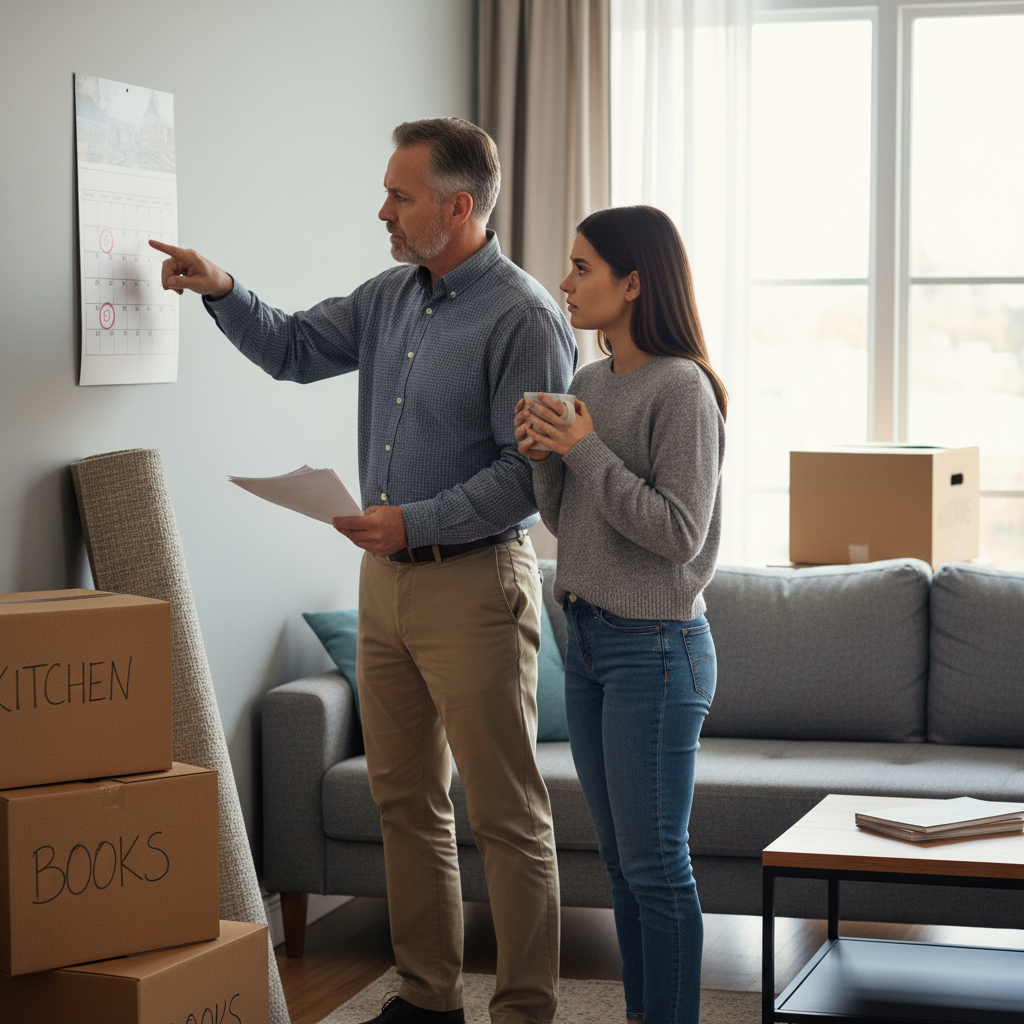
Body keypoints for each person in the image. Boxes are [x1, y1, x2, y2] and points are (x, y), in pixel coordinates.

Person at [151, 118, 576, 1024]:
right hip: (384, 587)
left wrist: (410, 519)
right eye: (388, 191)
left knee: (504, 814)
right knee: (404, 801)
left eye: (401, 195)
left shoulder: (527, 316)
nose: (382, 209)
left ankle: (527, 1010)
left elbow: (529, 478)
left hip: (474, 584)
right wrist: (221, 288)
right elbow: (296, 348)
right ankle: (427, 999)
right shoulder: (389, 297)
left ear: (458, 208)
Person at [513, 205, 727, 1024]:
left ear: (634, 283)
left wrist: (581, 449)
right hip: (593, 643)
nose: (564, 283)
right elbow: (576, 529)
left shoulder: (683, 389)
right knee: (624, 865)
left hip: (659, 649)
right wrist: (544, 460)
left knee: (657, 866)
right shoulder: (588, 384)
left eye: (582, 268)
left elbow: (677, 535)